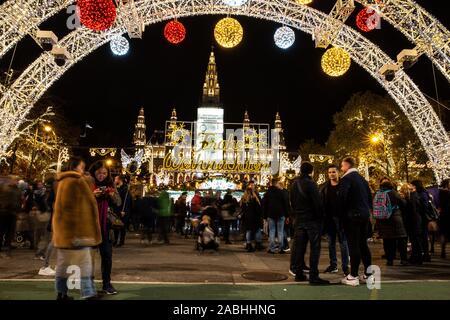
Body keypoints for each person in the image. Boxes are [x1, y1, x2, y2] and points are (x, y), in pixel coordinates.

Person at [52, 157, 101, 300]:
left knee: (63, 264)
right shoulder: (76, 181)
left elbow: (62, 208)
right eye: (82, 167)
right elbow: (74, 208)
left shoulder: (62, 182)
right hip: (77, 231)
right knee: (85, 263)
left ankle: (61, 294)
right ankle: (88, 293)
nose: (83, 170)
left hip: (63, 233)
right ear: (76, 167)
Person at [289, 162, 329, 285]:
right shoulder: (311, 184)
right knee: (315, 248)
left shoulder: (294, 184)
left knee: (299, 248)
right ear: (311, 171)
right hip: (311, 220)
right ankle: (313, 276)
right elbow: (317, 203)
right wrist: (321, 218)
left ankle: (299, 273)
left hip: (299, 219)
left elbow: (292, 202)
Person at [338, 157, 373, 287]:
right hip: (364, 215)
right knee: (363, 244)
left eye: (342, 166)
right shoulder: (363, 180)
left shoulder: (347, 179)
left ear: (347, 165)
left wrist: (341, 214)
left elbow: (342, 197)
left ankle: (353, 275)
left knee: (353, 246)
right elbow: (370, 197)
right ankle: (369, 275)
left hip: (352, 216)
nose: (341, 169)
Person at [90, 161, 121, 295]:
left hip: (106, 226)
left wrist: (112, 195)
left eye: (104, 173)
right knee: (89, 258)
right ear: (94, 172)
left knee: (107, 256)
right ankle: (88, 284)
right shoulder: (88, 183)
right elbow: (81, 201)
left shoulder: (111, 185)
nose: (101, 175)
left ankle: (107, 284)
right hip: (90, 225)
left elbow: (119, 202)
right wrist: (93, 195)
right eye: (99, 173)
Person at [319, 164, 349, 275]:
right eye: (329, 172)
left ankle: (346, 267)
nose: (331, 174)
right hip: (329, 219)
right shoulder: (324, 187)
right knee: (331, 243)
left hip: (342, 218)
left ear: (338, 173)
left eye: (333, 172)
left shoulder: (345, 185)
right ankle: (333, 265)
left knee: (343, 243)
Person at [374, 177, 408, 266]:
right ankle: (403, 259)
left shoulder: (378, 193)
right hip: (395, 219)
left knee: (388, 241)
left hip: (382, 220)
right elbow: (403, 203)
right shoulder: (393, 193)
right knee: (401, 239)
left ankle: (389, 260)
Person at [263, 178, 290, 254]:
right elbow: (285, 204)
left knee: (272, 231)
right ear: (276, 183)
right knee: (280, 231)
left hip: (271, 214)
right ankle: (281, 248)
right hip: (281, 214)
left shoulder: (267, 193)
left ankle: (272, 248)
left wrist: (264, 216)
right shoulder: (281, 192)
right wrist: (287, 215)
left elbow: (265, 205)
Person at [411, 179, 435, 262]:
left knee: (423, 236)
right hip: (422, 217)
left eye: (412, 185)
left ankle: (426, 254)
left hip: (423, 217)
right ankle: (425, 254)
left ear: (416, 186)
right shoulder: (423, 193)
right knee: (423, 236)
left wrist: (420, 211)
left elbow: (425, 206)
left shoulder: (423, 194)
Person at [399, 183, 423, 264]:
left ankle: (417, 258)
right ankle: (416, 257)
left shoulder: (412, 197)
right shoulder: (414, 196)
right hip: (416, 221)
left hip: (413, 222)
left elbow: (412, 211)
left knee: (415, 240)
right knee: (415, 240)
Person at [0, 176, 22, 258]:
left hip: (13, 213)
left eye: (17, 180)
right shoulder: (4, 188)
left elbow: (19, 200)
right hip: (4, 213)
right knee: (2, 231)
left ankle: (7, 248)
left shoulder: (17, 190)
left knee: (10, 232)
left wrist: (18, 210)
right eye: (15, 180)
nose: (16, 181)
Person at [240, 182, 264, 252]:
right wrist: (260, 215)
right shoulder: (255, 198)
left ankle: (248, 244)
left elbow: (242, 208)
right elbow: (258, 208)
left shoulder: (243, 199)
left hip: (247, 217)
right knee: (257, 230)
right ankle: (258, 244)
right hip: (255, 217)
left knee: (248, 231)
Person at [113, 175, 132, 247]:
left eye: (115, 179)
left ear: (119, 180)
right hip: (117, 210)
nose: (114, 180)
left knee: (122, 227)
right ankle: (115, 241)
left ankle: (121, 242)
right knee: (116, 226)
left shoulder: (125, 189)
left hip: (123, 211)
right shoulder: (117, 188)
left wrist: (124, 210)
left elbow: (126, 201)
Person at [438, 179, 450, 259]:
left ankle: (443, 250)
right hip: (448, 214)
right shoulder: (448, 193)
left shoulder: (440, 192)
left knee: (443, 233)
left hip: (443, 215)